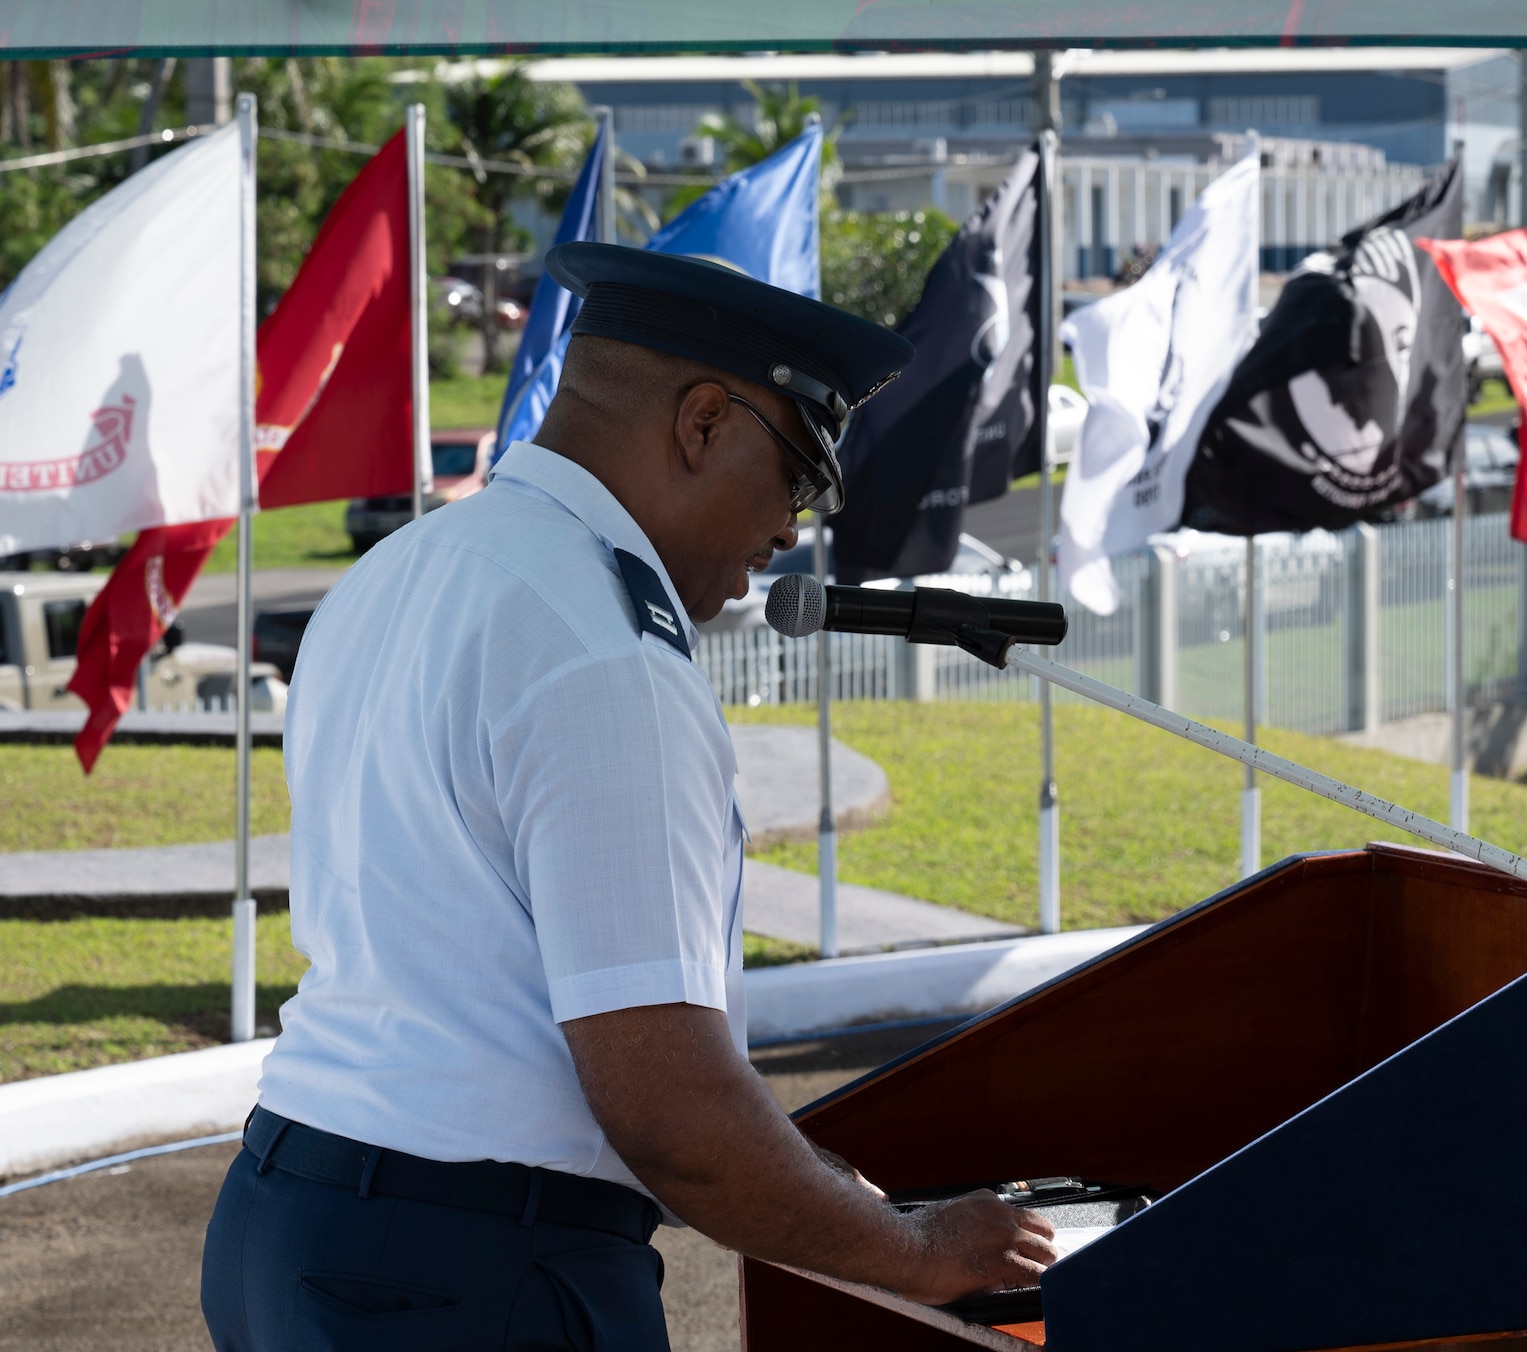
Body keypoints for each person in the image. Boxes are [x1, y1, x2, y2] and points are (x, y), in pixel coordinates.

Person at [200, 244, 1058, 1350]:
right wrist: (918, 1249)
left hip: (287, 1220)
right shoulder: (603, 652)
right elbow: (668, 1108)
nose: (792, 529)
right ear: (702, 423)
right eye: (795, 475)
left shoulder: (404, 570)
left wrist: (804, 1178)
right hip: (473, 1274)